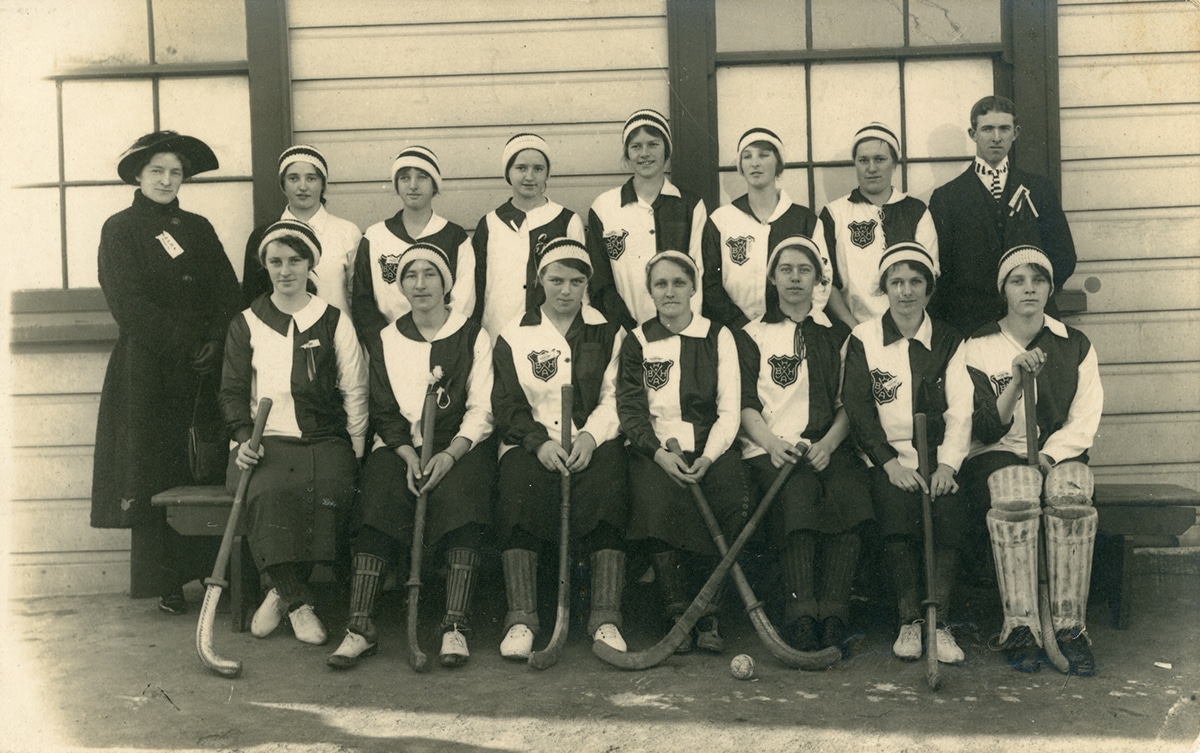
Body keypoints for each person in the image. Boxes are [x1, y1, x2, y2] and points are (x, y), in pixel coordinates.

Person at [91, 130, 241, 614]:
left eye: (175, 172)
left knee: (201, 464)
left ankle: (209, 573)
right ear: (138, 174)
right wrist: (185, 342)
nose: (166, 179)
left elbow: (226, 289)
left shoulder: (197, 227)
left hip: (202, 369)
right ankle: (166, 583)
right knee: (154, 467)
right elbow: (128, 302)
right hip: (149, 369)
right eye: (157, 170)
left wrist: (216, 341)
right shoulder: (120, 229)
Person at [328, 242, 495, 669]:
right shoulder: (386, 338)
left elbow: (481, 409)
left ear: (446, 282)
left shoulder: (473, 334)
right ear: (401, 285)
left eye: (430, 274)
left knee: (464, 499)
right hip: (401, 447)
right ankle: (360, 625)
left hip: (458, 448)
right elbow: (382, 408)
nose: (421, 284)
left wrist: (450, 455)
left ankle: (454, 625)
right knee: (379, 497)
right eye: (411, 276)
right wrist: (407, 455)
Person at [220, 220, 368, 646]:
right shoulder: (246, 322)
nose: (286, 270)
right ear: (265, 266)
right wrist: (244, 438)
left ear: (310, 264)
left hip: (324, 438)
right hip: (263, 440)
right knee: (267, 492)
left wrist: (355, 449)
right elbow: (230, 392)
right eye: (276, 261)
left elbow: (354, 389)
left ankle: (278, 591)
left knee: (332, 487)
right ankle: (299, 603)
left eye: (295, 260)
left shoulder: (333, 320)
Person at [959, 245, 1102, 675]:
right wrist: (1017, 383)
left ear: (1049, 288)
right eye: (1018, 281)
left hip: (1055, 453)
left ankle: (1069, 626)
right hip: (997, 454)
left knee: (1071, 490)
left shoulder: (1072, 343)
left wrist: (1050, 454)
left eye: (1038, 280)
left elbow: (1085, 417)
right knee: (1016, 489)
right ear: (1003, 289)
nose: (1029, 289)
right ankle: (1021, 625)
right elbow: (981, 428)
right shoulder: (979, 345)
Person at [491, 238, 629, 658]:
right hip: (532, 443)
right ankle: (522, 617)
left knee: (608, 481)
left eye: (575, 281)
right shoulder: (514, 334)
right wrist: (538, 444)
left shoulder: (608, 330)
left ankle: (604, 616)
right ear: (540, 281)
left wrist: (590, 435)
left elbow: (616, 396)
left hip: (592, 440)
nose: (566, 290)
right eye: (556, 280)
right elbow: (508, 405)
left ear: (587, 282)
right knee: (518, 485)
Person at [737, 236, 872, 656]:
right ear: (772, 278)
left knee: (847, 492)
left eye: (804, 270)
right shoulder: (751, 334)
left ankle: (833, 614)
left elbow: (852, 402)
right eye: (786, 270)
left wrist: (830, 444)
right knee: (797, 495)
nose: (794, 278)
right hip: (771, 448)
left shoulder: (839, 336)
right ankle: (800, 616)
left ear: (818, 280)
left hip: (827, 445)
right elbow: (743, 403)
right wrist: (773, 444)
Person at [841, 241, 970, 664]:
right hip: (889, 459)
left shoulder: (949, 339)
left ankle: (941, 622)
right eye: (896, 282)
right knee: (896, 511)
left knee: (947, 511)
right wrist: (889, 462)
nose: (906, 291)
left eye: (916, 282)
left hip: (938, 460)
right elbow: (858, 407)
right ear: (884, 288)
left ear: (929, 290)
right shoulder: (864, 338)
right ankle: (909, 620)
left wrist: (948, 465)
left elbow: (961, 408)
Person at [616, 250, 745, 653]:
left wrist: (709, 455)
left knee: (728, 492)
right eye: (660, 284)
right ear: (650, 292)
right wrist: (657, 452)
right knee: (658, 496)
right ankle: (676, 611)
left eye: (678, 283)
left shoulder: (718, 335)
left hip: (711, 446)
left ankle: (709, 613)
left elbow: (729, 408)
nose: (669, 291)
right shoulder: (637, 340)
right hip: (656, 450)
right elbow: (631, 410)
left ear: (693, 287)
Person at [928, 95, 1077, 336]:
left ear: (1015, 133)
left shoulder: (1039, 189)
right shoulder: (947, 198)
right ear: (973, 133)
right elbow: (943, 273)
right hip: (972, 325)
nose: (996, 137)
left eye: (1004, 129)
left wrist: (1032, 296)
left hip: (1033, 320)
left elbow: (1063, 257)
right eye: (987, 129)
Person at [587, 108, 707, 330]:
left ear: (667, 151)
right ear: (626, 154)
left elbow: (698, 271)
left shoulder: (690, 205)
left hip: (679, 328)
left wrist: (686, 327)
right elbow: (600, 281)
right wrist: (625, 328)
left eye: (653, 144)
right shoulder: (604, 207)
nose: (644, 153)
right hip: (624, 332)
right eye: (636, 146)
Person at [702, 128, 833, 330]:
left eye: (764, 155)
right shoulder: (721, 220)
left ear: (778, 164)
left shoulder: (804, 219)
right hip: (735, 332)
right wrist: (740, 326)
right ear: (741, 167)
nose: (755, 162)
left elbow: (823, 277)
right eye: (747, 156)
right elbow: (710, 283)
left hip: (793, 329)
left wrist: (800, 320)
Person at [819, 123, 939, 328]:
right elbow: (826, 282)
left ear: (894, 163)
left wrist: (904, 324)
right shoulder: (834, 213)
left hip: (908, 326)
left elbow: (930, 276)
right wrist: (854, 329)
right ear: (854, 163)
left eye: (880, 159)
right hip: (853, 329)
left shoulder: (915, 211)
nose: (872, 168)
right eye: (863, 160)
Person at [352, 145, 475, 343]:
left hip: (443, 344)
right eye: (405, 178)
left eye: (422, 177)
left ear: (435, 184)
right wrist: (383, 344)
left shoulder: (454, 237)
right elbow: (362, 302)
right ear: (396, 184)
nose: (413, 185)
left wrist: (444, 340)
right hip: (388, 345)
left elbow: (464, 301)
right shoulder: (376, 236)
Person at [472, 133, 585, 338]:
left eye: (538, 169)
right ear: (508, 172)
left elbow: (581, 285)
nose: (530, 176)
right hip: (499, 331)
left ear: (547, 173)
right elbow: (477, 287)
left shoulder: (566, 220)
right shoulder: (490, 223)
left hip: (553, 334)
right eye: (521, 168)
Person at [241, 145, 362, 314]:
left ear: (323, 184)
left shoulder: (347, 232)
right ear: (282, 184)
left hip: (337, 334)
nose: (302, 186)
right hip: (280, 336)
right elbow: (252, 298)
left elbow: (358, 297)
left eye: (311, 178)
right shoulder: (263, 236)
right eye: (293, 178)